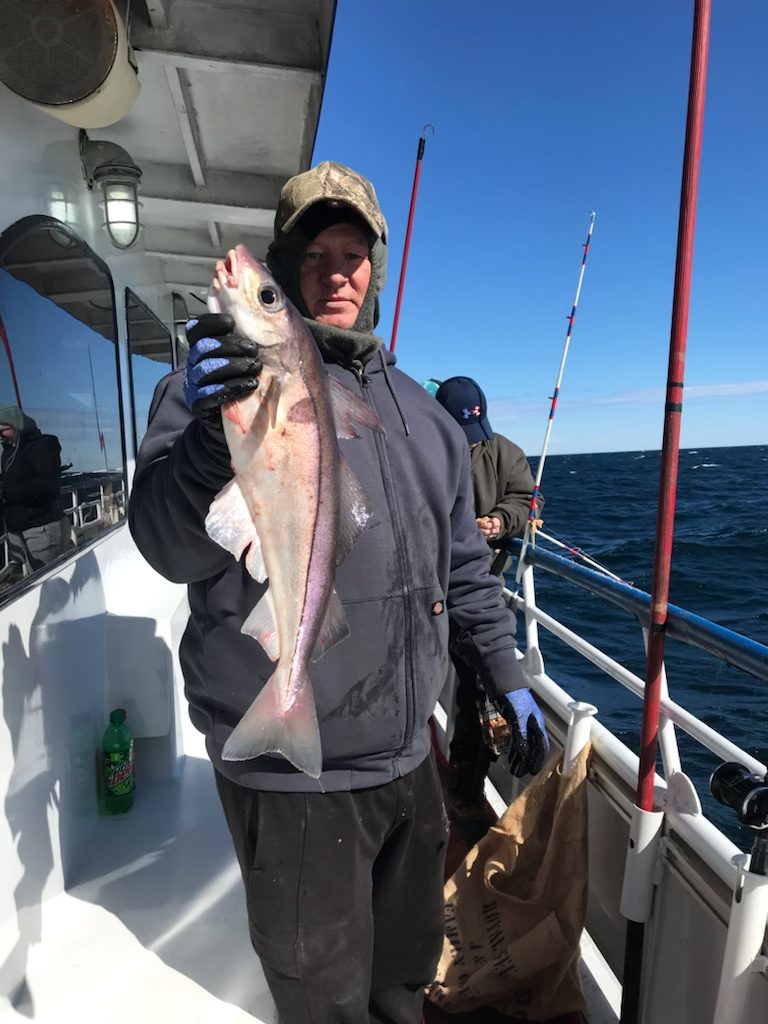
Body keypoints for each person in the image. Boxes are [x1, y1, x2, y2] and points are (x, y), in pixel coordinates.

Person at [128, 161, 549, 1024]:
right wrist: (214, 437)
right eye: (313, 253)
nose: (336, 271)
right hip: (293, 785)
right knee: (321, 1003)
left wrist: (508, 673)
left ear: (377, 269)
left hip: (408, 763)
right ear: (284, 269)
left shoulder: (424, 417)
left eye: (353, 253)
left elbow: (464, 566)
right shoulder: (210, 393)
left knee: (400, 983)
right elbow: (166, 548)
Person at [434, 376, 546, 844]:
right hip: (429, 588)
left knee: (476, 684)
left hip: (480, 587)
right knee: (443, 678)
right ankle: (455, 778)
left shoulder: (505, 452)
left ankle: (465, 780)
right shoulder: (424, 446)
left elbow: (525, 499)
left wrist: (499, 521)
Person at [0, 407, 71, 575]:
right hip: (21, 528)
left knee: (46, 584)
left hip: (42, 530)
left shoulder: (43, 446)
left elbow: (47, 484)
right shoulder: (9, 451)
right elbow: (14, 478)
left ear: (18, 426)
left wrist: (8, 492)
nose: (0, 436)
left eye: (3, 430)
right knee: (35, 579)